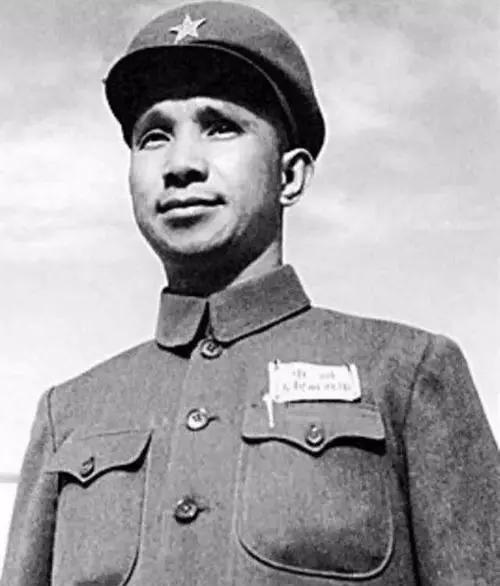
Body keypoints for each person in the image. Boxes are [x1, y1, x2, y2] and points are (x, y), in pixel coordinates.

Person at [1, 2, 498, 585]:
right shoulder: (69, 415)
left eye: (221, 127)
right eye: (153, 136)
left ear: (290, 175)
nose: (181, 165)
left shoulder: (406, 375)